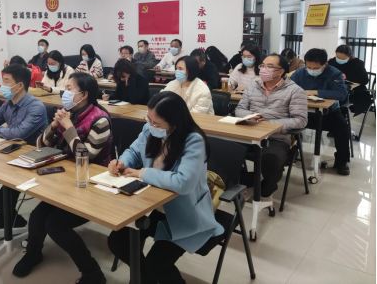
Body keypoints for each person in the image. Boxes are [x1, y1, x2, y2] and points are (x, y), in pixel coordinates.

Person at [107, 92, 224, 284]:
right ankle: (145, 279)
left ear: (175, 123)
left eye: (157, 123)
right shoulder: (150, 129)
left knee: (157, 266)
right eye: (149, 119)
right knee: (117, 242)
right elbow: (134, 151)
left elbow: (183, 182)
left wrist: (143, 173)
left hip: (183, 213)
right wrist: (122, 162)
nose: (151, 125)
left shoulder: (193, 140)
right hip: (150, 205)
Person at [13, 73, 112, 284]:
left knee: (55, 225)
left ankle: (93, 273)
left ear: (84, 94)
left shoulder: (100, 119)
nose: (64, 92)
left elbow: (85, 157)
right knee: (37, 216)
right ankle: (33, 254)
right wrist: (53, 126)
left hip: (92, 184)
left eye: (69, 88)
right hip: (66, 178)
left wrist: (68, 128)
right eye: (65, 87)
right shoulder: (69, 113)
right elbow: (40, 146)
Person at [0, 65, 49, 240]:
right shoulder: (9, 104)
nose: (2, 85)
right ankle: (12, 219)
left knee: (8, 187)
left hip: (32, 158)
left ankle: (1, 222)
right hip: (11, 152)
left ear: (19, 85)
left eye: (6, 81)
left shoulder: (36, 107)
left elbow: (19, 133)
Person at [235, 54, 308, 201]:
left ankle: (265, 186)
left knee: (271, 160)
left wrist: (270, 124)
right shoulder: (253, 86)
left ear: (281, 71)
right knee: (220, 149)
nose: (263, 69)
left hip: (276, 137)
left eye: (269, 67)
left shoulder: (295, 91)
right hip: (249, 133)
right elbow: (239, 109)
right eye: (262, 65)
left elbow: (300, 120)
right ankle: (249, 182)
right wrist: (250, 116)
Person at [291, 48, 350, 175]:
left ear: (325, 64)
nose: (311, 70)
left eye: (315, 68)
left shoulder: (334, 73)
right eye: (308, 67)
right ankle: (291, 151)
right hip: (304, 112)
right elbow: (287, 90)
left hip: (329, 113)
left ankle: (342, 161)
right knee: (284, 122)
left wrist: (315, 92)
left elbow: (341, 94)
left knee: (342, 128)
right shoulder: (299, 73)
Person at [328, 45, 371, 116]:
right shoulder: (332, 62)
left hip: (354, 92)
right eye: (338, 57)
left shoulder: (357, 63)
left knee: (340, 101)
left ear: (350, 56)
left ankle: (338, 118)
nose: (339, 60)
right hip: (334, 88)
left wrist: (347, 77)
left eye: (343, 58)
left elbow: (364, 80)